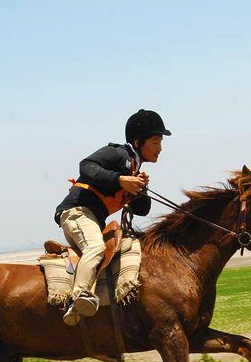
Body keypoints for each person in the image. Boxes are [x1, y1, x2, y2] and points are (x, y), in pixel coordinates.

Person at [54, 109, 171, 326]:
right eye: (156, 141)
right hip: (77, 212)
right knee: (96, 248)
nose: (160, 148)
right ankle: (78, 297)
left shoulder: (135, 169)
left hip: (91, 219)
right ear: (137, 142)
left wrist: (141, 187)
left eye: (161, 142)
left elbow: (143, 209)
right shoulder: (118, 154)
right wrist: (120, 180)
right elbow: (86, 166)